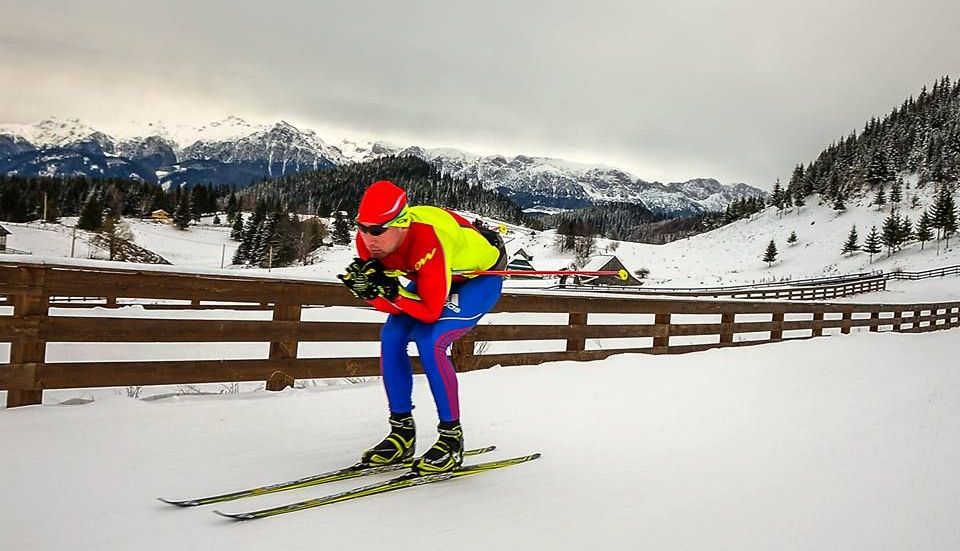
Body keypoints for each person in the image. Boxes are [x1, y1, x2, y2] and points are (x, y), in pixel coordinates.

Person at [338, 180, 506, 474]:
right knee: (392, 335)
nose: (367, 238)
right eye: (361, 227)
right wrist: (373, 293)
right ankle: (402, 434)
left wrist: (392, 293)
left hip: (479, 278)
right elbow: (392, 304)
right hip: (434, 275)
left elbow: (428, 313)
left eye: (377, 230)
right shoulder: (369, 241)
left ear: (401, 224)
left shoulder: (428, 240)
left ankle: (451, 440)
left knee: (431, 341)